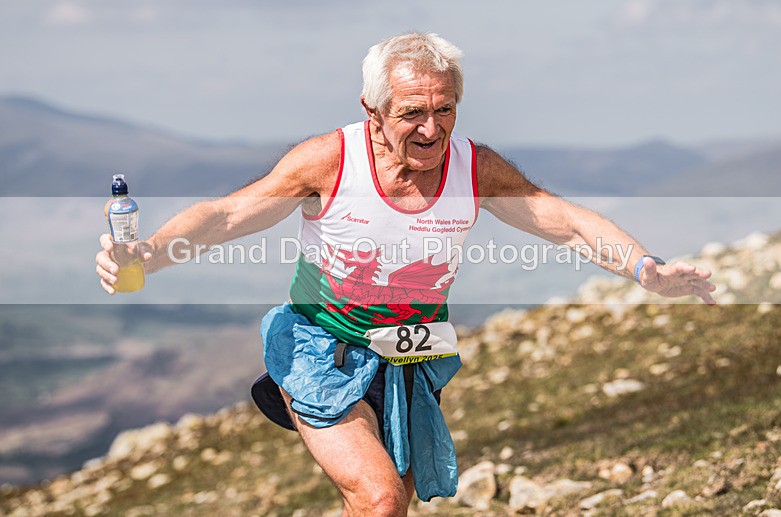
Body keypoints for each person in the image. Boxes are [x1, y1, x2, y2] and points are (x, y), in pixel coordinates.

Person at [96, 32, 716, 516]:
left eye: (444, 110)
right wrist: (149, 252)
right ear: (373, 111)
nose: (430, 128)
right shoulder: (330, 161)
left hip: (411, 353)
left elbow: (565, 220)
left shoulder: (474, 169)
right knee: (379, 497)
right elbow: (229, 213)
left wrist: (644, 267)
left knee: (384, 506)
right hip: (320, 346)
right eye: (412, 112)